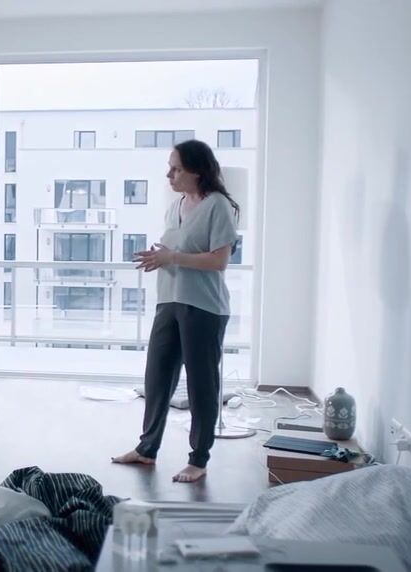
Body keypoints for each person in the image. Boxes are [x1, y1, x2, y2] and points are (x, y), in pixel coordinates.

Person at [112, 139, 239, 483]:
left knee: (201, 385)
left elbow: (219, 261)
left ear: (197, 171)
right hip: (169, 300)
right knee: (156, 378)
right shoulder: (175, 206)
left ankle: (199, 459)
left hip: (204, 306)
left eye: (176, 168)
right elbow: (174, 250)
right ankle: (146, 448)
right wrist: (160, 256)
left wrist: (172, 257)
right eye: (170, 168)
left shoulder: (218, 206)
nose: (169, 175)